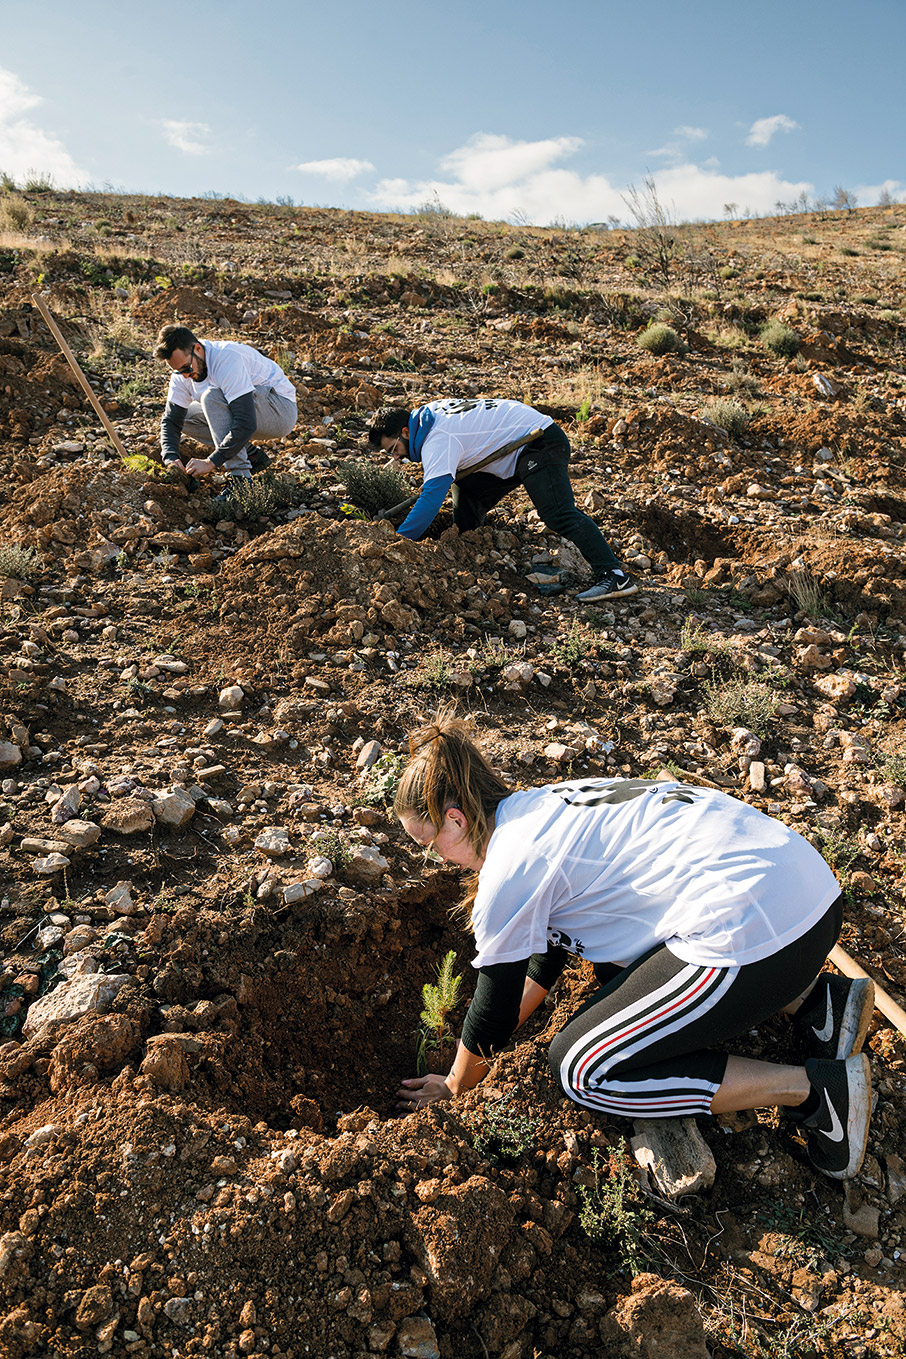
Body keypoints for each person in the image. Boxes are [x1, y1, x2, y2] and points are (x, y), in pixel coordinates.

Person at [394, 712, 876, 1181]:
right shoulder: (542, 806)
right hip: (809, 901)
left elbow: (493, 1007)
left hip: (758, 934)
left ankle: (816, 1093)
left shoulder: (508, 867)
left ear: (455, 820)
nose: (435, 857)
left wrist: (455, 1085)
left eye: (428, 843)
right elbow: (547, 954)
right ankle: (820, 1005)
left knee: (581, 1069)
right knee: (612, 963)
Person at [367, 398, 636, 603]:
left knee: (558, 514)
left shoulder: (438, 438)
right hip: (509, 450)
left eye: (394, 450)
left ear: (405, 431)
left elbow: (431, 498)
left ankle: (614, 576)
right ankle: (467, 545)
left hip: (539, 441)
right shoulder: (428, 416)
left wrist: (399, 541)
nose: (397, 458)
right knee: (467, 486)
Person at [154, 324, 297, 497]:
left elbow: (246, 423)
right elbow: (171, 421)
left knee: (211, 397)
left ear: (197, 348)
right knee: (185, 417)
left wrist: (211, 462)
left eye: (186, 368)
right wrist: (171, 459)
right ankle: (250, 455)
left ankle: (241, 482)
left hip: (279, 411)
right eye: (178, 371)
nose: (185, 375)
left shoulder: (226, 358)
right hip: (250, 412)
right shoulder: (182, 375)